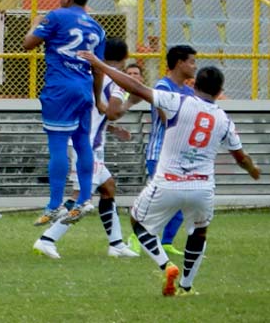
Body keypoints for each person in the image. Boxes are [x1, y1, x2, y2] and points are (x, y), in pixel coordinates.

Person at [78, 51, 261, 296]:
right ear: (219, 92)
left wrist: (100, 64)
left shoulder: (178, 101)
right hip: (202, 188)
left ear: (193, 84)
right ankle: (187, 286)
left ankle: (166, 264)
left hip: (168, 182)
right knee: (199, 232)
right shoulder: (224, 120)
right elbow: (241, 157)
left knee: (138, 222)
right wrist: (253, 170)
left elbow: (135, 86)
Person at [34, 38, 140, 259]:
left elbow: (93, 113)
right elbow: (111, 111)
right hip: (88, 147)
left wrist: (111, 129)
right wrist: (131, 103)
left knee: (108, 188)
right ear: (124, 58)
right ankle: (47, 239)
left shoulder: (87, 75)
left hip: (80, 139)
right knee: (81, 198)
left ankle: (117, 244)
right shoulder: (115, 80)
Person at [23, 0, 106, 225]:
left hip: (60, 88)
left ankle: (54, 205)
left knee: (58, 146)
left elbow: (28, 44)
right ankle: (84, 200)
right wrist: (98, 99)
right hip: (84, 89)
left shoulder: (56, 16)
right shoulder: (97, 27)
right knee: (82, 143)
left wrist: (36, 23)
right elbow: (99, 69)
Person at [137, 45, 197, 256]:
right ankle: (135, 238)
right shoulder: (163, 87)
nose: (194, 66)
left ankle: (167, 242)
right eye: (191, 61)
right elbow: (168, 118)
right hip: (160, 154)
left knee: (183, 201)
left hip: (181, 156)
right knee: (159, 200)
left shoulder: (190, 91)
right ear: (179, 63)